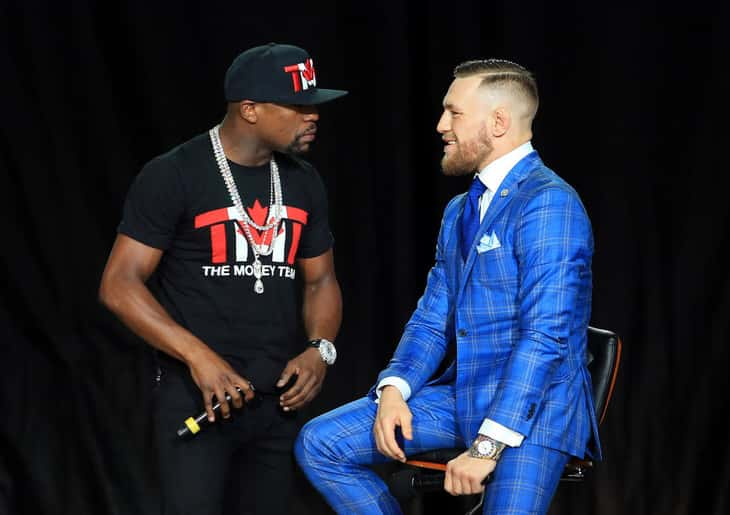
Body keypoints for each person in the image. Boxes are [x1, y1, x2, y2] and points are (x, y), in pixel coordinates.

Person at [295, 59, 599, 514]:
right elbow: (433, 315)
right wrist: (395, 387)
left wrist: (487, 446)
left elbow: (546, 336)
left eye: (454, 113)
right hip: (464, 395)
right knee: (322, 443)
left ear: (498, 122)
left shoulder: (548, 202)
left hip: (535, 410)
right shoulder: (460, 209)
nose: (441, 126)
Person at [99, 43, 345, 515]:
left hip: (278, 400)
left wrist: (321, 349)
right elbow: (119, 284)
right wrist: (199, 357)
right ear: (249, 109)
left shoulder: (303, 180)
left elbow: (321, 280)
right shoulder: (174, 173)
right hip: (197, 397)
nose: (312, 117)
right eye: (298, 106)